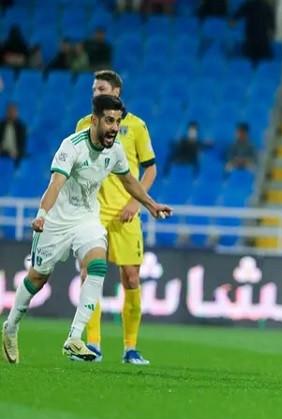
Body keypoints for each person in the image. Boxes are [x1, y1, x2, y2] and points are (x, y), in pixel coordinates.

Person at [1, 95, 172, 365]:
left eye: (117, 121)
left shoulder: (114, 151)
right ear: (94, 120)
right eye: (109, 121)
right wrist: (42, 215)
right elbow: (55, 184)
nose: (114, 127)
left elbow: (129, 180)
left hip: (87, 219)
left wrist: (150, 205)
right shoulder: (72, 146)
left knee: (97, 266)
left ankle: (75, 337)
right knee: (38, 278)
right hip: (56, 220)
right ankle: (10, 326)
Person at [75, 70, 158, 365]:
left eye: (101, 88)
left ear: (116, 91)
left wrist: (137, 202)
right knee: (90, 275)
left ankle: (130, 348)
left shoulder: (135, 126)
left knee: (131, 278)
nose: (95, 92)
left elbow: (150, 169)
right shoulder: (84, 124)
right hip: (93, 214)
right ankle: (93, 344)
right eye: (94, 88)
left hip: (126, 214)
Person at [233, 0, 275, 65]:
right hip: (261, 39)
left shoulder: (249, 5)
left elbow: (236, 16)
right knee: (264, 59)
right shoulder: (267, 7)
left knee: (250, 59)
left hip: (253, 39)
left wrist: (234, 20)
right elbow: (272, 26)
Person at [0, 102, 26, 167]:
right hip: (2, 151)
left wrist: (17, 152)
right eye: (10, 112)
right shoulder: (1, 125)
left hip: (15, 153)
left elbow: (22, 144)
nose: (11, 114)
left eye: (13, 112)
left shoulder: (21, 127)